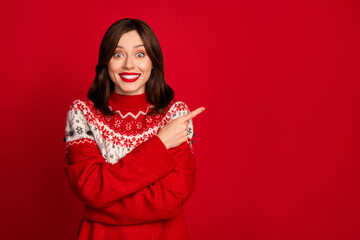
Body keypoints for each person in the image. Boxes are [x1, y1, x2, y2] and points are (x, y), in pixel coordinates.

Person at [64, 18, 205, 240]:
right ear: (106, 61)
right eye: (118, 54)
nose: (129, 65)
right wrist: (160, 143)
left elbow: (173, 195)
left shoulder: (175, 115)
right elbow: (92, 189)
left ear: (153, 62)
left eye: (140, 54)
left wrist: (101, 205)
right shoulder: (82, 114)